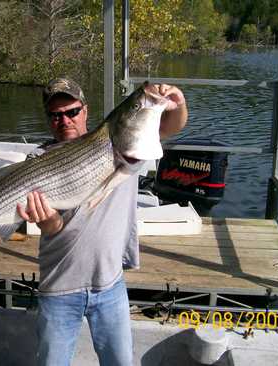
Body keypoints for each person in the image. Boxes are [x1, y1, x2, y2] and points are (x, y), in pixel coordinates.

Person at [16, 78, 188, 366]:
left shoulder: (126, 143)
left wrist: (178, 103)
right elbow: (53, 227)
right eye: (55, 115)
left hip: (110, 286)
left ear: (85, 110)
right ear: (48, 119)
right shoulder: (38, 159)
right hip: (59, 288)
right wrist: (46, 221)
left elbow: (170, 125)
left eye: (71, 111)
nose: (65, 120)